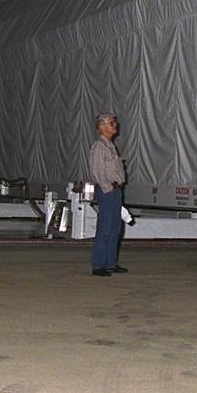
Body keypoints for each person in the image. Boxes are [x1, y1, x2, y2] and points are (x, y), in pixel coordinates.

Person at [88, 113, 127, 276]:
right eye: (111, 123)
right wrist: (107, 187)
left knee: (115, 228)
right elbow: (97, 170)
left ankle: (110, 263)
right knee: (105, 227)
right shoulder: (99, 146)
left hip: (116, 191)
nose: (115, 125)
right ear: (102, 127)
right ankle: (98, 265)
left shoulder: (110, 146)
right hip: (108, 191)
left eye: (114, 122)